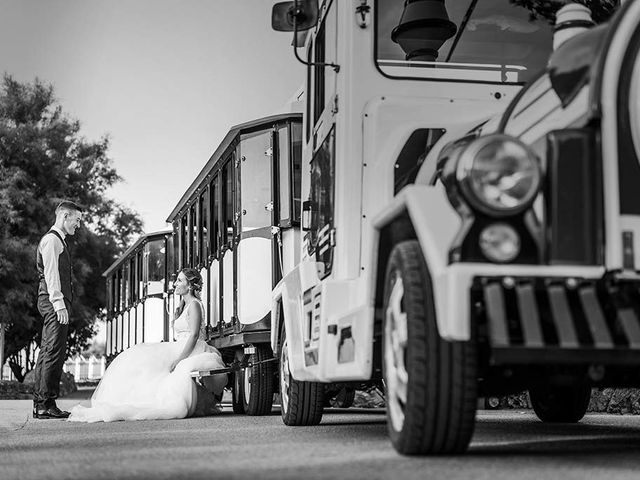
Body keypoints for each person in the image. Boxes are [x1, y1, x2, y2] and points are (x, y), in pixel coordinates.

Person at [68, 268, 228, 422]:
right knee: (140, 358)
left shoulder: (194, 305)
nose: (175, 284)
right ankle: (129, 399)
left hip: (193, 348)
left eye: (179, 280)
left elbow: (193, 335)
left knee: (157, 365)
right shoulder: (183, 306)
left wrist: (179, 360)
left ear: (190, 285)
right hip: (178, 345)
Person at [33, 200, 83, 419]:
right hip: (54, 301)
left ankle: (42, 404)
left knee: (48, 351)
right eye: (77, 220)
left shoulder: (57, 240)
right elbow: (52, 274)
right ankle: (46, 404)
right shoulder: (52, 241)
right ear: (64, 216)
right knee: (54, 351)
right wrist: (59, 302)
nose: (78, 225)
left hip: (52, 300)